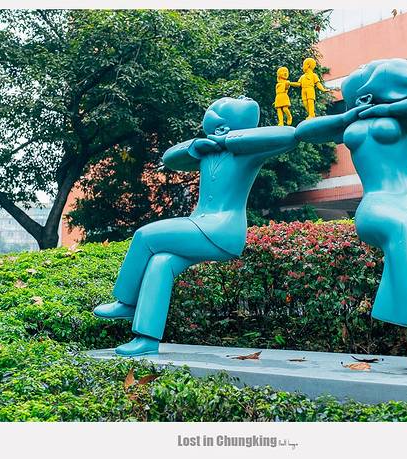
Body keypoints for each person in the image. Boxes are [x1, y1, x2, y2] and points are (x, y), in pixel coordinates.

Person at [296, 58, 407, 380]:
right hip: (377, 203)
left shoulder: (405, 113)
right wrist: (351, 115)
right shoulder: (350, 119)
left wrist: (390, 109)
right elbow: (304, 132)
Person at [94, 96, 298, 357]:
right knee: (161, 262)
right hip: (200, 224)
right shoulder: (206, 152)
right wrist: (196, 145)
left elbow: (289, 135)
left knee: (144, 236)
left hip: (222, 229)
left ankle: (127, 302)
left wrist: (229, 139)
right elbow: (170, 158)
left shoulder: (247, 150)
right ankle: (146, 339)